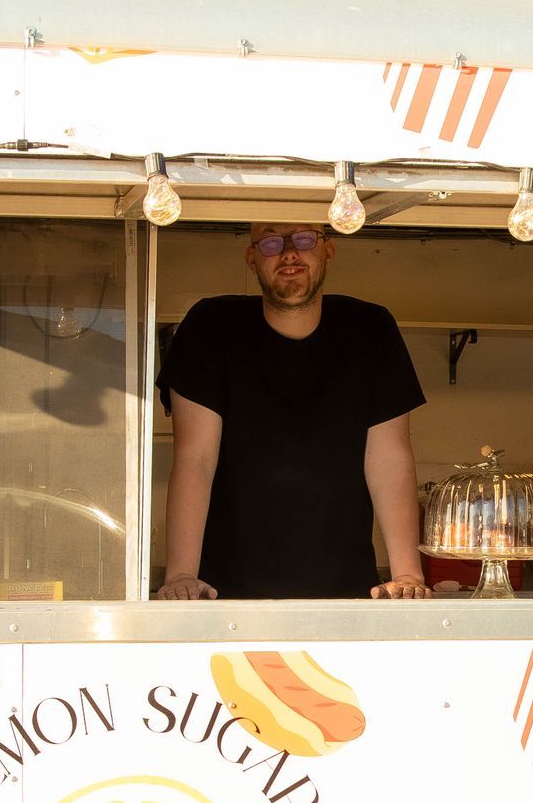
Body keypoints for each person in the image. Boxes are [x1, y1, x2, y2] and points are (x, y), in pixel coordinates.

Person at [156, 222, 430, 600]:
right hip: (223, 597)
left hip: (346, 594)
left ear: (328, 250)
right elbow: (194, 457)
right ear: (251, 257)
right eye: (271, 242)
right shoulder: (210, 326)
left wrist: (408, 574)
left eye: (303, 238)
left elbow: (390, 458)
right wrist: (181, 574)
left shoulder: (370, 329)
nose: (288, 252)